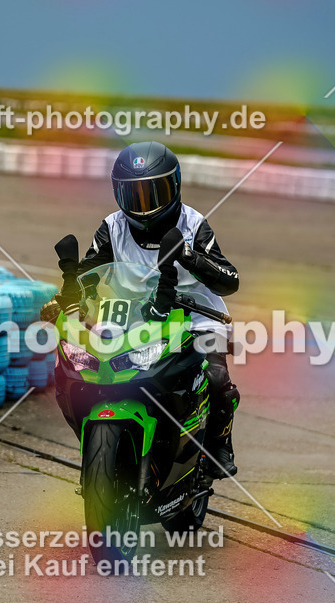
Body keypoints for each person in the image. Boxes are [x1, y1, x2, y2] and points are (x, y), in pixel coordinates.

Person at [43, 140, 241, 478]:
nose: (144, 206)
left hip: (196, 315)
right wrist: (65, 300)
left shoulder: (194, 225)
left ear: (174, 186)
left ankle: (220, 442)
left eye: (154, 193)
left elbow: (229, 280)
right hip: (135, 315)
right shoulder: (112, 226)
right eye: (134, 195)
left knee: (215, 375)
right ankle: (103, 440)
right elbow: (90, 272)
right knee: (79, 369)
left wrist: (189, 257)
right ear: (119, 193)